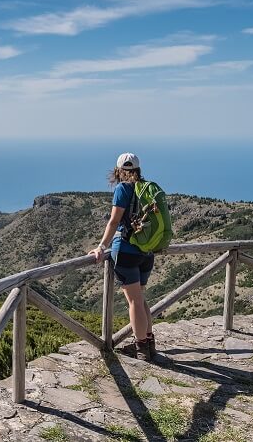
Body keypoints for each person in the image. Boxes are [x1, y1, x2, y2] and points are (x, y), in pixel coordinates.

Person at [88, 152, 156, 361]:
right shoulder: (148, 188)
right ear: (137, 169)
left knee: (134, 301)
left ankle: (141, 347)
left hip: (127, 251)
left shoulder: (122, 188)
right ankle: (149, 342)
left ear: (118, 170)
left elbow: (114, 221)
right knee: (140, 298)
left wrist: (101, 246)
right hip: (147, 250)